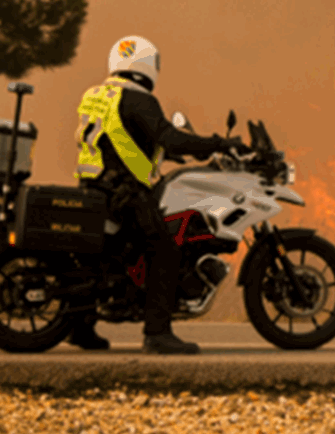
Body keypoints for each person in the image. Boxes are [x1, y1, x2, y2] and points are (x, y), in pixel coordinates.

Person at [73, 35, 241, 355]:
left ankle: (81, 327)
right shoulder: (139, 100)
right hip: (125, 193)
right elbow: (171, 138)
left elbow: (123, 138)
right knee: (165, 249)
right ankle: (158, 333)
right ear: (148, 66)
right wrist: (219, 143)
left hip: (94, 187)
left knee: (99, 258)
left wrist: (164, 151)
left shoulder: (97, 95)